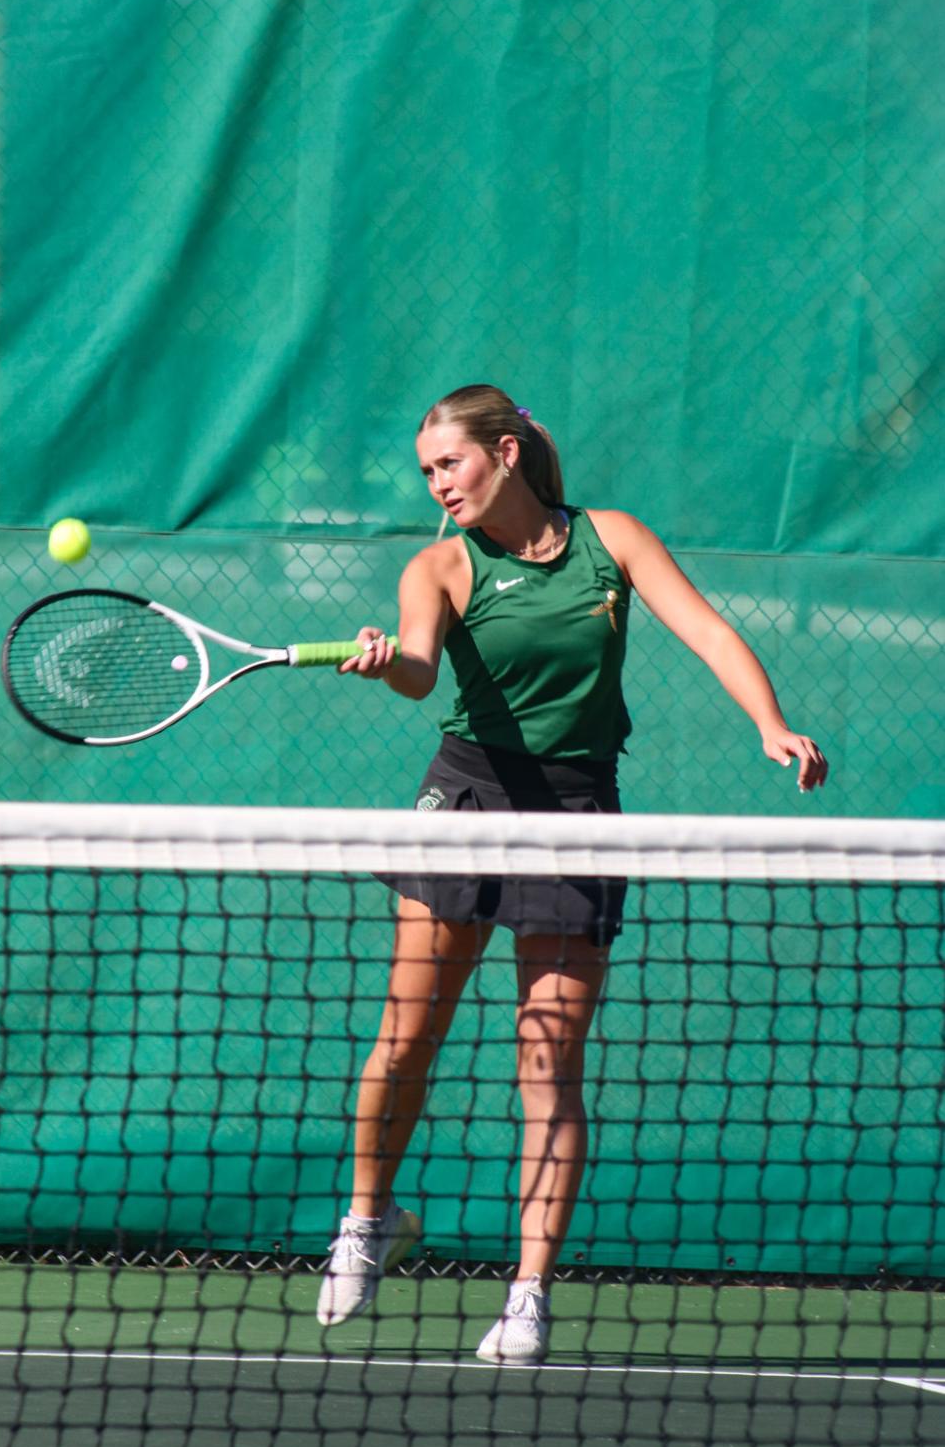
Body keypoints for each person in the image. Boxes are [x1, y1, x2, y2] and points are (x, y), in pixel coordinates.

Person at [317, 384, 828, 1363]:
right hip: (464, 806)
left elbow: (709, 632)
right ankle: (368, 1220)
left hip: (576, 815)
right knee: (404, 1040)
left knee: (547, 1065)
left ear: (503, 452)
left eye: (448, 463)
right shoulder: (436, 565)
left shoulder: (612, 541)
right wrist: (384, 664)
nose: (437, 484)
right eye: (425, 470)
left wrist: (769, 725)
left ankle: (525, 1294)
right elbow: (420, 667)